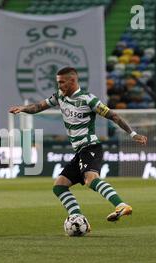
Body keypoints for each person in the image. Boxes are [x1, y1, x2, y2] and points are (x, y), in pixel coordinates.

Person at [9, 67, 147, 226]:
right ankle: (77, 218)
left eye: (62, 82)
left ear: (72, 81)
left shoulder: (88, 99)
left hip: (90, 147)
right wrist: (23, 109)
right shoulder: (60, 96)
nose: (59, 86)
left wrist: (132, 134)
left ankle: (121, 205)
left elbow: (113, 116)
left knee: (90, 179)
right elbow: (39, 107)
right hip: (80, 151)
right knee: (59, 186)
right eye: (58, 82)